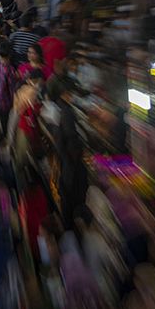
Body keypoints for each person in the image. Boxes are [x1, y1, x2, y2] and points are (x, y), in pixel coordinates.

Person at [56, 79, 87, 228]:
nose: (73, 96)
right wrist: (81, 154)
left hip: (66, 162)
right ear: (66, 94)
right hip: (70, 164)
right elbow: (71, 137)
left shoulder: (62, 108)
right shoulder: (66, 112)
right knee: (71, 196)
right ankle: (70, 225)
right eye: (72, 93)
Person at [0, 40, 19, 135]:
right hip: (6, 103)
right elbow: (12, 89)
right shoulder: (11, 70)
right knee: (5, 123)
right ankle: (4, 137)